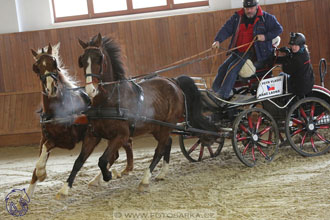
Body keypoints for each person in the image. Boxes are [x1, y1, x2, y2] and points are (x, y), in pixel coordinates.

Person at [211, 0, 283, 100]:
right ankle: (214, 91)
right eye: (247, 8)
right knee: (222, 68)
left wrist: (265, 37)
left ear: (257, 6)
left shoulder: (266, 18)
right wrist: (218, 40)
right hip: (238, 52)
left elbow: (279, 29)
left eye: (251, 8)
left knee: (232, 68)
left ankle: (223, 95)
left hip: (253, 53)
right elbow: (226, 28)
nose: (249, 10)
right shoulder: (237, 17)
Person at [276, 32, 314, 97]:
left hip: (300, 87)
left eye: (296, 45)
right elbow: (291, 56)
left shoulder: (300, 58)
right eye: (292, 45)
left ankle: (284, 102)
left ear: (301, 45)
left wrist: (287, 55)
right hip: (305, 82)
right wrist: (286, 52)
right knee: (281, 76)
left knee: (280, 79)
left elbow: (286, 69)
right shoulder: (302, 52)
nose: (293, 47)